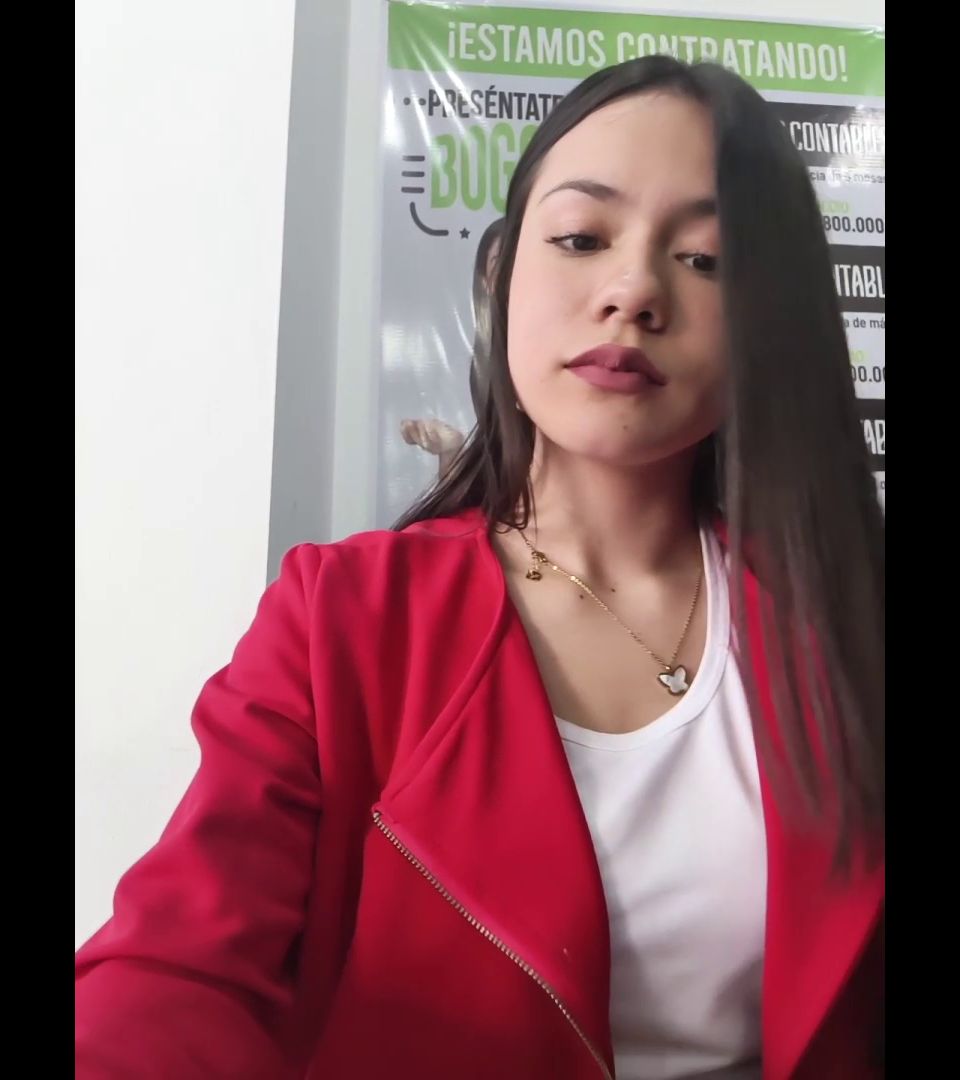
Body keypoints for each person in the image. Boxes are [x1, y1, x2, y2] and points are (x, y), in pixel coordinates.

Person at [75, 56, 884, 1080]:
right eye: (582, 238)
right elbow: (178, 968)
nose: (634, 290)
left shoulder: (849, 621)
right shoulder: (343, 616)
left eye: (705, 260)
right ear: (499, 277)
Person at [400, 216, 505, 478]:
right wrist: (451, 452)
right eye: (499, 263)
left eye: (519, 261)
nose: (511, 274)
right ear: (485, 281)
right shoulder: (480, 362)